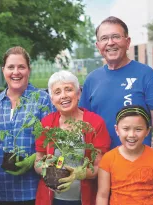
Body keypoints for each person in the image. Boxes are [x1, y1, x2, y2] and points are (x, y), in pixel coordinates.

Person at [79, 16, 153, 195]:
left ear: (127, 41)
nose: (110, 43)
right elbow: (82, 124)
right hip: (100, 171)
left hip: (137, 171)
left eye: (116, 37)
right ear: (97, 46)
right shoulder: (91, 80)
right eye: (104, 38)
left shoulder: (146, 75)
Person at [0, 46, 53, 205]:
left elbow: (52, 143)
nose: (16, 72)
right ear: (3, 70)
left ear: (29, 70)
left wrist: (33, 159)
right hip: (2, 191)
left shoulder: (43, 100)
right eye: (11, 67)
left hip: (33, 189)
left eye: (21, 67)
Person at [34, 70, 111, 205]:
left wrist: (80, 173)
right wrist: (45, 168)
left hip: (85, 199)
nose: (63, 96)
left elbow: (101, 166)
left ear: (78, 93)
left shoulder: (95, 123)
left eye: (68, 89)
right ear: (52, 99)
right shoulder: (46, 124)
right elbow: (38, 161)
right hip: (52, 199)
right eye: (57, 92)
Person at [96, 105, 153, 204]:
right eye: (126, 129)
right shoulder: (108, 159)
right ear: (117, 130)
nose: (131, 135)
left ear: (147, 131)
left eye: (138, 129)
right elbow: (102, 196)